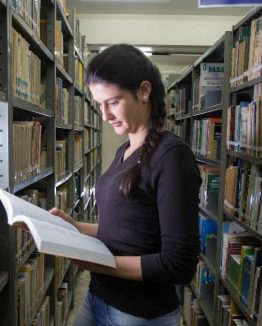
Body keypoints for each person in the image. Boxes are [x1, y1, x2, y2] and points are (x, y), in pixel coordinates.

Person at [49, 43, 201, 325]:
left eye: (113, 102)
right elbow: (128, 229)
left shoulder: (173, 157)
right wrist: (75, 228)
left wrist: (99, 264)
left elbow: (178, 264)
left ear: (144, 91)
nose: (105, 115)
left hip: (138, 314)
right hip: (98, 298)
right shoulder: (125, 150)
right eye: (99, 104)